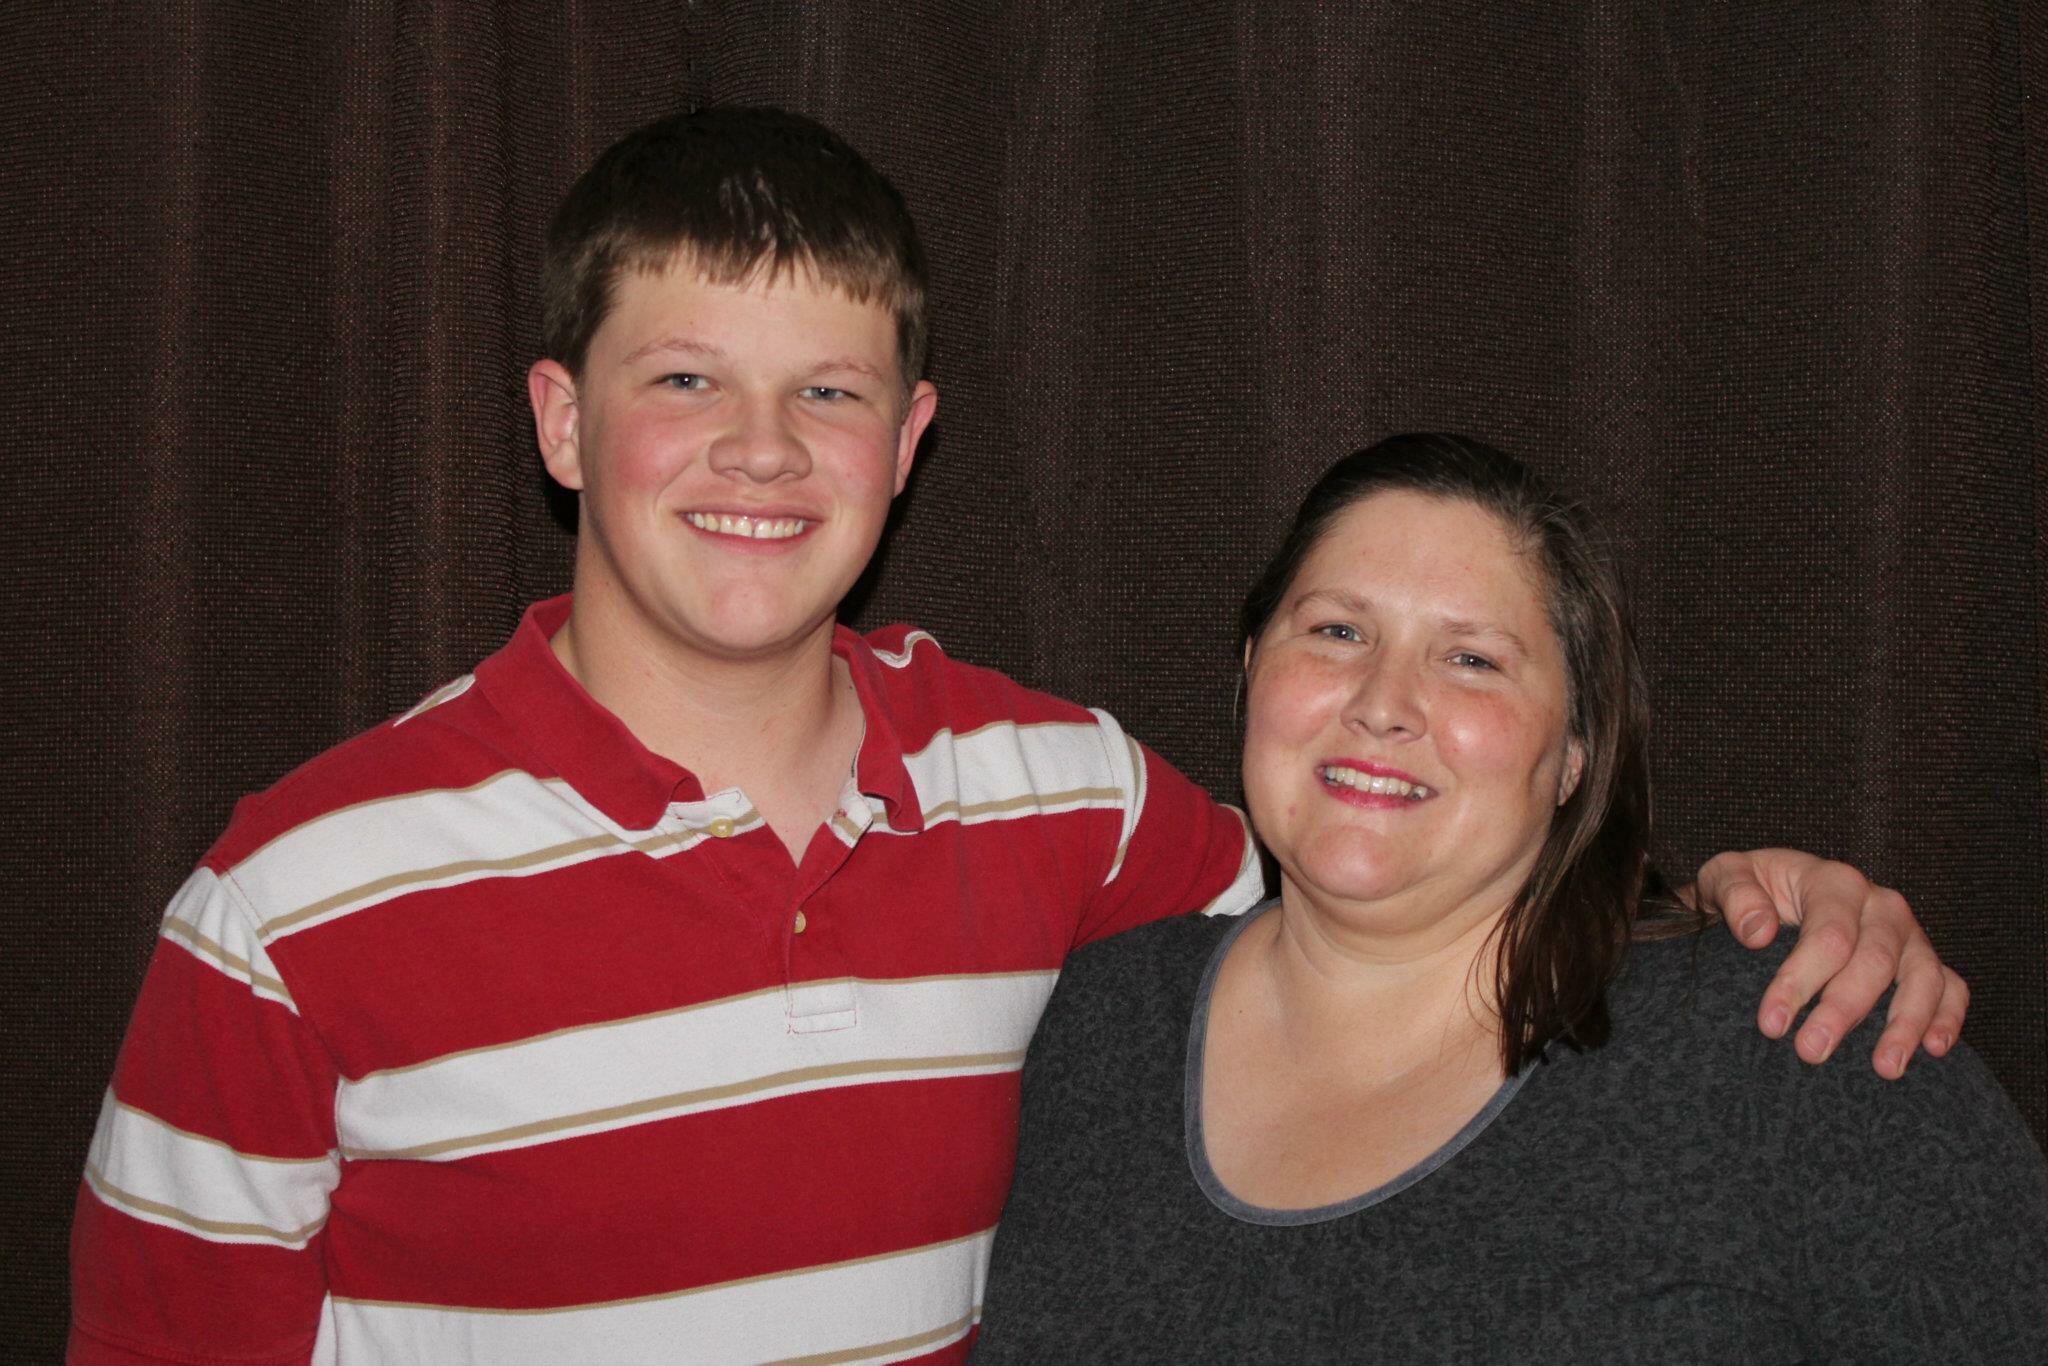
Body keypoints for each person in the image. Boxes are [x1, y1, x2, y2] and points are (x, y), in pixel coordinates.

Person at [70, 113, 1962, 1365]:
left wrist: (1741, 901)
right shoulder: (292, 903)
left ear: (908, 444)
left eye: (829, 392)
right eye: (685, 380)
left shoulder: (1067, 796)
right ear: (562, 422)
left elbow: (1392, 886)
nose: (760, 452)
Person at [974, 433, 2048, 1361]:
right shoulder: (1097, 1024)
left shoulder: (1797, 1037)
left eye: (1472, 660)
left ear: (1574, 752)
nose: (1383, 703)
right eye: (1337, 632)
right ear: (1252, 666)